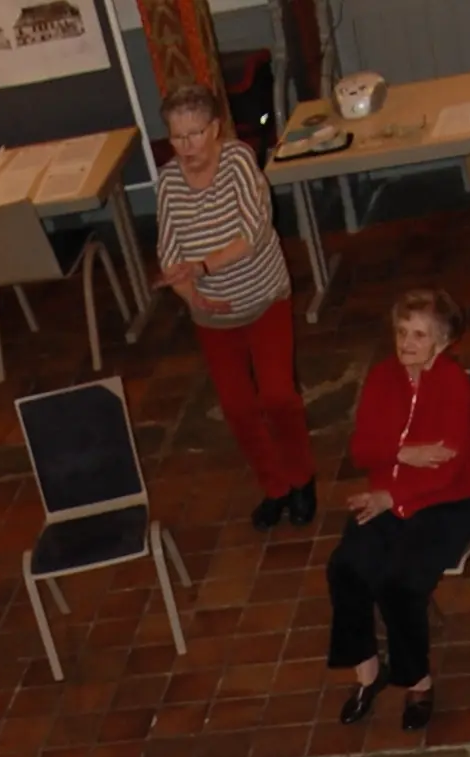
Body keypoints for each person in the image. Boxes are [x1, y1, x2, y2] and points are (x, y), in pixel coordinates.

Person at [154, 83, 315, 533]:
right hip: (212, 316)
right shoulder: (168, 182)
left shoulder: (239, 161)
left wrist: (202, 267)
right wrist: (192, 295)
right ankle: (275, 487)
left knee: (278, 396)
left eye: (194, 134)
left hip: (264, 298)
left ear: (214, 129)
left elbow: (255, 233)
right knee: (238, 408)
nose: (186, 147)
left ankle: (303, 479)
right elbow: (169, 253)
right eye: (177, 137)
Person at [325, 288, 470, 732]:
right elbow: (361, 449)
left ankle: (417, 680)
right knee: (347, 567)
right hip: (389, 497)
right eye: (401, 332)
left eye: (419, 334)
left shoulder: (456, 389)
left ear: (443, 341)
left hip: (445, 506)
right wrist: (402, 452)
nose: (407, 343)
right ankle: (367, 673)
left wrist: (392, 494)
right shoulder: (381, 378)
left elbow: (448, 471)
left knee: (398, 583)